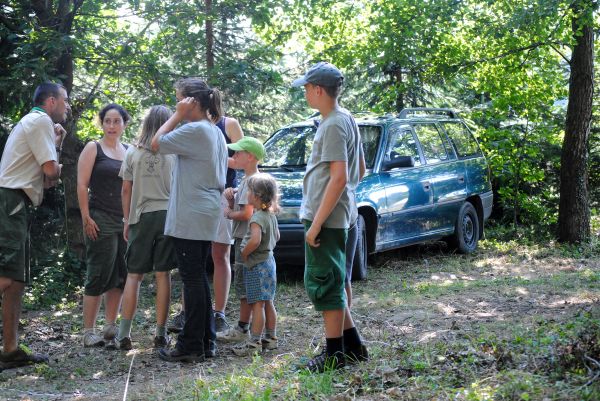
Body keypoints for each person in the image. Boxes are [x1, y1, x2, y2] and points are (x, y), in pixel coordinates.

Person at [291, 62, 368, 372]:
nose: (305, 93)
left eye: (307, 88)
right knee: (334, 282)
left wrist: (318, 223)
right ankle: (354, 347)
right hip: (340, 214)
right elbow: (358, 170)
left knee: (325, 284)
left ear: (318, 90)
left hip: (328, 219)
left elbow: (339, 177)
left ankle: (334, 354)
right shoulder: (344, 118)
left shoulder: (334, 124)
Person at [151, 77, 228, 363]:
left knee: (192, 279)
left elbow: (155, 142)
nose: (176, 104)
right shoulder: (213, 131)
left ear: (191, 102)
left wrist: (176, 116)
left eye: (179, 99)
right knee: (198, 279)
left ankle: (191, 344)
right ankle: (205, 341)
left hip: (192, 212)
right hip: (204, 210)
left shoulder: (195, 129)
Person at [0, 82, 69, 369]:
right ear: (51, 101)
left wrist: (57, 145)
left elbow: (47, 181)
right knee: (5, 275)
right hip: (10, 201)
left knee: (15, 280)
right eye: (65, 101)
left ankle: (10, 349)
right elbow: (52, 171)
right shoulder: (40, 120)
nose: (67, 106)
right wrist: (58, 155)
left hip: (16, 203)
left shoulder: (34, 121)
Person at [168, 115, 243, 335]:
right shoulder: (190, 126)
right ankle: (187, 310)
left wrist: (211, 157)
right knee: (193, 259)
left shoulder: (229, 125)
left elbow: (241, 160)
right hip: (195, 197)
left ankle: (218, 313)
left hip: (224, 194)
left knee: (220, 255)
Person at [116, 106, 177, 350]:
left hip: (141, 216)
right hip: (167, 217)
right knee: (163, 274)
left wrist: (126, 220)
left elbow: (125, 190)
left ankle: (123, 334)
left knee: (134, 275)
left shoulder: (132, 152)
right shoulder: (174, 152)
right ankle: (160, 333)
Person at [77, 103, 130, 348]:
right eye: (107, 121)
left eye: (116, 121)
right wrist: (86, 217)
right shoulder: (93, 148)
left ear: (124, 124)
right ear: (101, 123)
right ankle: (89, 331)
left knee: (121, 274)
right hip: (99, 218)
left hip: (124, 220)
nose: (111, 126)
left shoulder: (129, 151)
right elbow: (81, 184)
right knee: (98, 272)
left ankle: (110, 325)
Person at [218, 137, 264, 344]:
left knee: (244, 286)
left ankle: (243, 328)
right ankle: (252, 328)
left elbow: (247, 213)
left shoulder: (250, 182)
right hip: (247, 238)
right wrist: (231, 198)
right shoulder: (251, 180)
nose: (234, 156)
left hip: (245, 239)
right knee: (249, 285)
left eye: (238, 153)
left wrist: (228, 212)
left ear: (251, 156)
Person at [232, 173, 280, 356]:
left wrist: (244, 253)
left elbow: (255, 240)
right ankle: (271, 338)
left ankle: (254, 343)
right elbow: (277, 237)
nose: (247, 194)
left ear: (258, 196)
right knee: (268, 301)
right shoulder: (270, 216)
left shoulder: (257, 218)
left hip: (256, 266)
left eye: (250, 191)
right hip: (269, 262)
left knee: (257, 305)